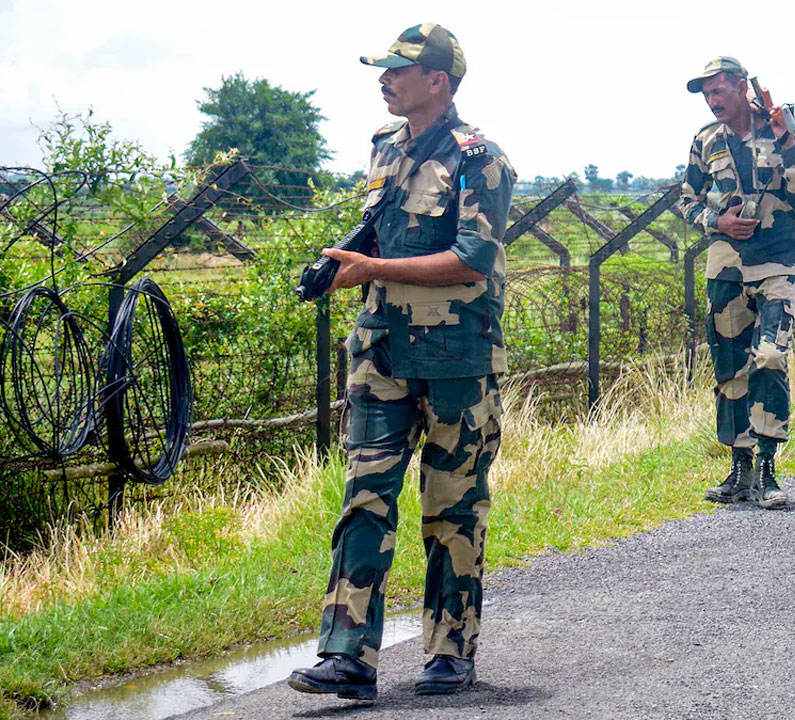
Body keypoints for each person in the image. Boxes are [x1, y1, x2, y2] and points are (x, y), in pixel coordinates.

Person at [288, 22, 515, 698]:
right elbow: (379, 228)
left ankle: (451, 652)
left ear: (438, 81)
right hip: (382, 353)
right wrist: (340, 265)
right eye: (383, 70)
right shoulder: (386, 147)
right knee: (365, 500)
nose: (385, 80)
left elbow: (473, 258)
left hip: (456, 360)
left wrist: (375, 268)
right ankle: (347, 658)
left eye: (398, 70)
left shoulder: (481, 158)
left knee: (451, 510)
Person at [677, 56, 795, 509]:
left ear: (742, 88)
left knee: (771, 357)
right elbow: (685, 199)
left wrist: (786, 139)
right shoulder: (706, 141)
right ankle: (740, 469)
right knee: (729, 366)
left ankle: (769, 466)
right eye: (706, 94)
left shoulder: (781, 126)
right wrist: (716, 220)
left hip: (777, 261)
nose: (712, 101)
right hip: (726, 265)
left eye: (719, 91)